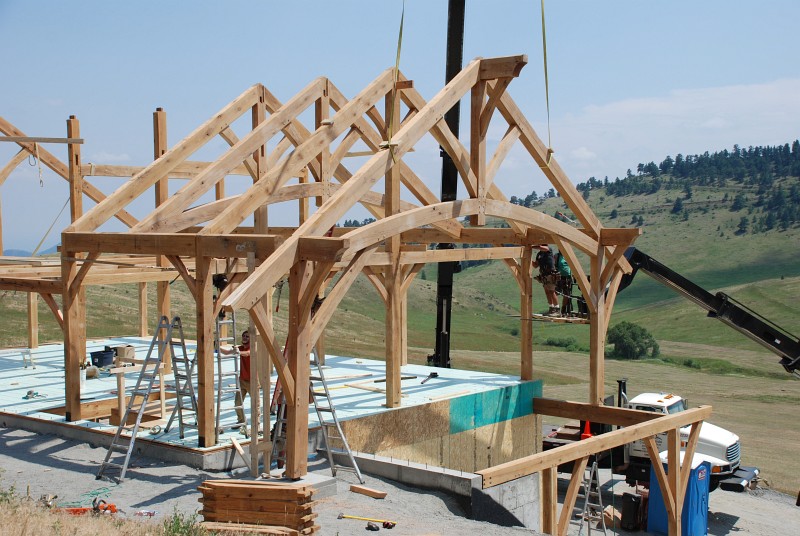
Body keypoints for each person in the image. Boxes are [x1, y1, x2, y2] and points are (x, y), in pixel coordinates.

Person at [218, 330, 252, 425]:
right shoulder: (240, 348)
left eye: (247, 336)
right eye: (243, 336)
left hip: (252, 381)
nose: (244, 338)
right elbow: (227, 352)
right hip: (242, 380)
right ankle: (241, 420)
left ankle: (256, 425)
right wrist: (217, 346)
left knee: (255, 404)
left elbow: (247, 353)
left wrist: (238, 352)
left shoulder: (253, 347)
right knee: (237, 403)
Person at [532, 244, 560, 316]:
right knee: (547, 292)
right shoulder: (539, 254)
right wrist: (530, 260)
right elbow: (535, 265)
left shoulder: (548, 250)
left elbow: (544, 248)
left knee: (552, 291)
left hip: (550, 274)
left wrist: (532, 246)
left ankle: (557, 309)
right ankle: (551, 308)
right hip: (544, 275)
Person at [554, 249, 573, 316]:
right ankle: (556, 308)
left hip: (567, 277)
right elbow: (554, 265)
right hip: (559, 277)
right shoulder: (557, 256)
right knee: (555, 292)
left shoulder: (568, 255)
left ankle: (563, 310)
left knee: (566, 294)